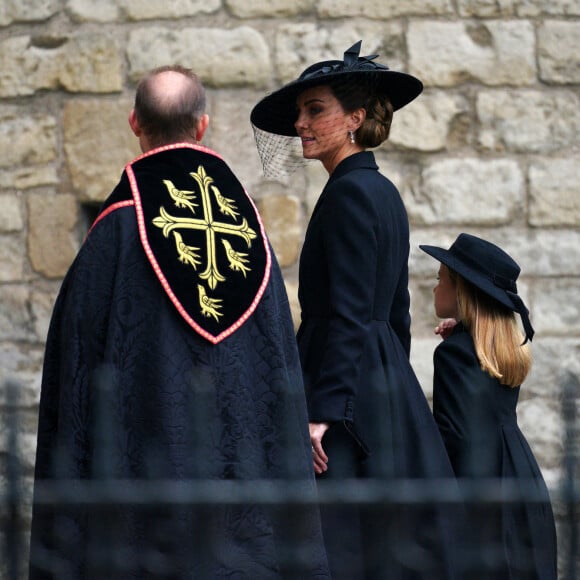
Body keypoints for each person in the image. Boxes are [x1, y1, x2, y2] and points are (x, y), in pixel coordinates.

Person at [29, 65, 330, 579]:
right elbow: (276, 360)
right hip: (241, 508)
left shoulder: (114, 233)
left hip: (146, 507)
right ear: (203, 125)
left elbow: (74, 377)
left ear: (133, 123)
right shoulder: (250, 230)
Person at [251, 41, 465, 579]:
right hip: (377, 378)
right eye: (300, 112)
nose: (300, 123)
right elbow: (394, 317)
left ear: (355, 117)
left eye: (315, 109)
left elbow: (350, 313)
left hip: (342, 387)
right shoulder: (379, 189)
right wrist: (387, 384)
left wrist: (322, 415)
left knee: (343, 540)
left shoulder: (349, 194)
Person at [420, 232, 558, 579]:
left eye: (441, 279)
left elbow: (457, 440)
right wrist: (466, 331)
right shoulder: (499, 349)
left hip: (483, 493)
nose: (434, 287)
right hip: (522, 479)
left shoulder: (453, 354)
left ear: (461, 290)